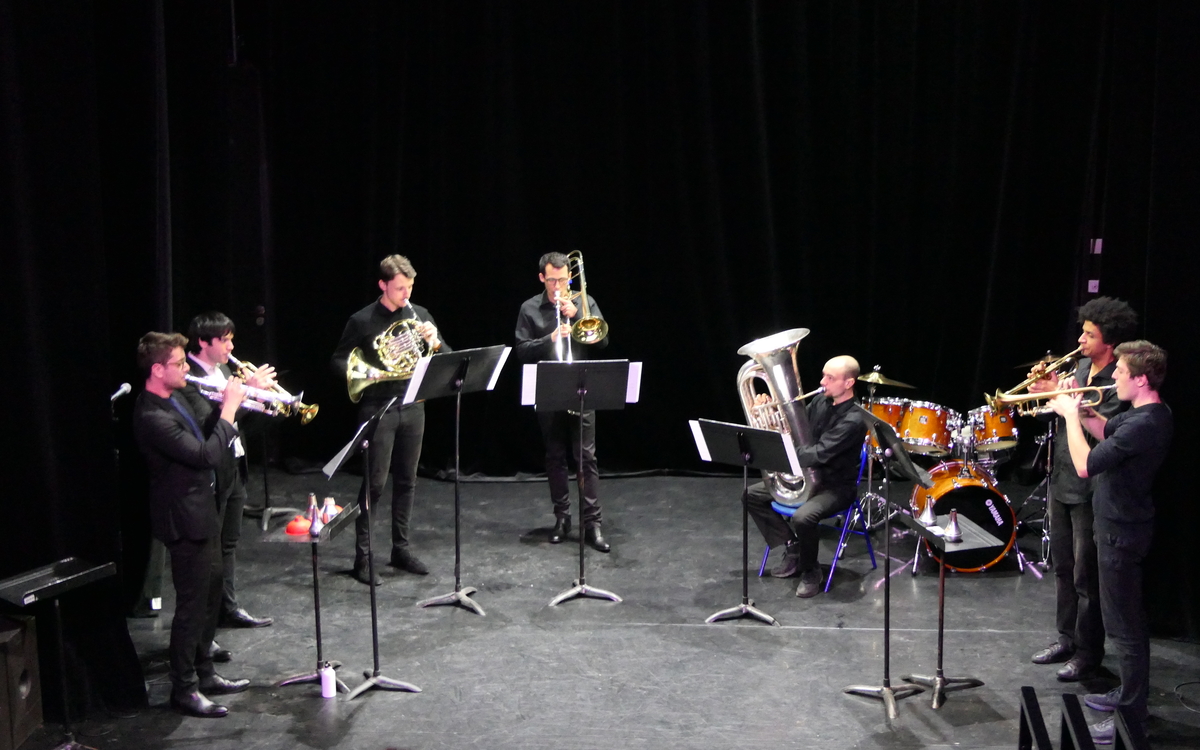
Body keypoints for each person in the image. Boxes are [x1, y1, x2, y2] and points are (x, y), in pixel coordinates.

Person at [1048, 340, 1172, 744]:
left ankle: (1132, 717)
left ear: (1139, 378)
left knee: (1126, 631)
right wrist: (1078, 407)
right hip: (1114, 525)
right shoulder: (1138, 414)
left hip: (1123, 532)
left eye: (1120, 372)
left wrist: (1067, 417)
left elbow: (1085, 465)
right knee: (1122, 625)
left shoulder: (1147, 423)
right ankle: (1126, 695)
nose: (1112, 376)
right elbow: (1105, 433)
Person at [131, 332, 251, 718]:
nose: (186, 369)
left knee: (211, 595)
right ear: (156, 370)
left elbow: (210, 430)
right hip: (184, 518)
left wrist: (238, 400)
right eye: (179, 364)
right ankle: (184, 689)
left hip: (203, 511)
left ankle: (204, 671)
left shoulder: (176, 397)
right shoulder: (151, 416)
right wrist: (230, 410)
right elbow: (205, 455)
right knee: (191, 606)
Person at [1027, 297, 1137, 681]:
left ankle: (1089, 652)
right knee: (1061, 568)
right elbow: (1058, 412)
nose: (1081, 339)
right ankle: (1066, 638)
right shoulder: (1081, 365)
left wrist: (1071, 404)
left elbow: (1104, 433)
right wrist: (1050, 392)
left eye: (1089, 334)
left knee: (1085, 576)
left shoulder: (1119, 381)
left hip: (1093, 488)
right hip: (1062, 479)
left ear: (1109, 340)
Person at [332, 255, 449, 585]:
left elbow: (445, 357)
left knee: (408, 481)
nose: (406, 294)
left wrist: (434, 341)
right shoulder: (362, 320)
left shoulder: (420, 315)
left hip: (413, 406)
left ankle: (401, 548)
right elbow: (339, 360)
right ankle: (363, 557)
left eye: (410, 286)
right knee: (375, 484)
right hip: (378, 407)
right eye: (400, 288)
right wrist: (369, 372)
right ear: (383, 285)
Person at [178, 311, 275, 629]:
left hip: (235, 465)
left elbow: (237, 423)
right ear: (204, 342)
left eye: (231, 338)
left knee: (229, 544)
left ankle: (227, 608)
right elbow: (208, 425)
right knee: (210, 554)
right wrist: (245, 392)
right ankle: (206, 623)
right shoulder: (189, 377)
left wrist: (263, 399)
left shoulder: (223, 370)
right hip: (211, 475)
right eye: (225, 340)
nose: (231, 346)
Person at [743, 355, 867, 598]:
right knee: (751, 495)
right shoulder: (820, 401)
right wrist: (768, 411)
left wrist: (782, 452)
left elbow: (819, 453)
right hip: (806, 478)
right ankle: (793, 547)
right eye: (823, 375)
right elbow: (792, 429)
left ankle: (811, 571)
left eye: (830, 378)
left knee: (803, 517)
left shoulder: (855, 418)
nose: (822, 382)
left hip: (835, 486)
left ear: (849, 383)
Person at [514, 252, 611, 552]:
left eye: (564, 279)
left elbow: (602, 339)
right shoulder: (529, 308)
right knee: (555, 456)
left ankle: (592, 524)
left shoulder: (583, 300)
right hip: (549, 387)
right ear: (542, 278)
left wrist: (578, 315)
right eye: (553, 280)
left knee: (586, 457)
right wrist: (551, 338)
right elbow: (521, 350)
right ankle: (562, 518)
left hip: (581, 385)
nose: (559, 286)